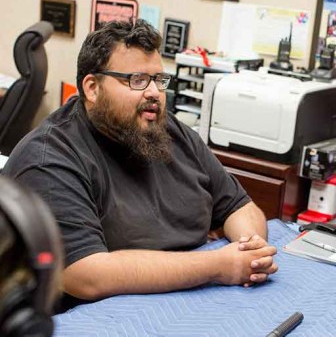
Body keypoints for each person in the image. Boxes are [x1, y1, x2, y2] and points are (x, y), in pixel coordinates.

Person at [2, 19, 278, 311]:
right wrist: (219, 265)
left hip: (199, 301)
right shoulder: (49, 158)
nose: (154, 93)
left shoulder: (168, 130)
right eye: (136, 80)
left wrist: (251, 249)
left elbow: (238, 206)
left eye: (159, 80)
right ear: (92, 88)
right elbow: (85, 275)